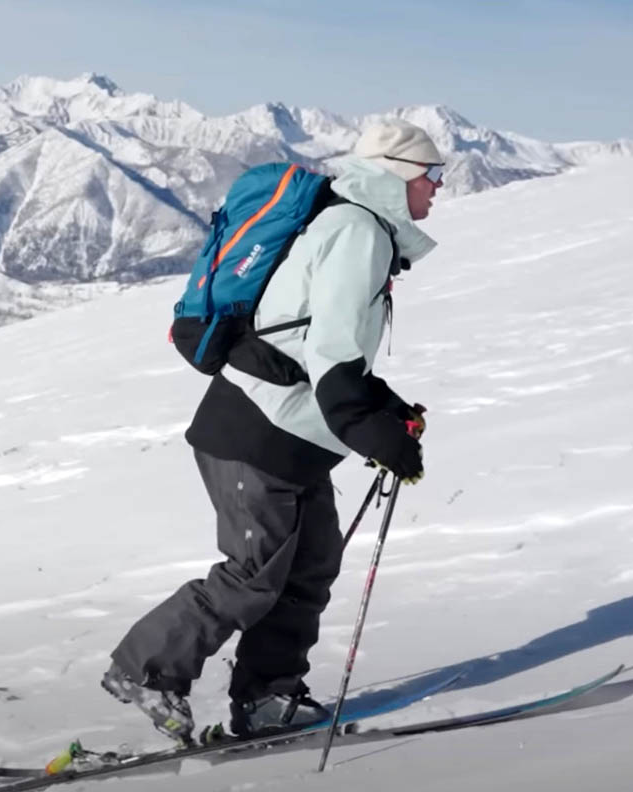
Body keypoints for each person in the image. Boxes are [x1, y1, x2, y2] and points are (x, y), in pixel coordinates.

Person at [101, 119, 444, 742]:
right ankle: (147, 671)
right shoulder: (355, 232)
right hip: (255, 433)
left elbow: (314, 347)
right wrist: (377, 433)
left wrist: (385, 412)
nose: (438, 189)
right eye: (432, 176)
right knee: (254, 572)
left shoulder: (360, 229)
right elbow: (335, 355)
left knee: (309, 565)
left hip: (294, 439)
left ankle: (267, 697)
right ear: (399, 175)